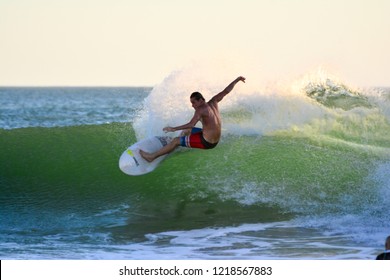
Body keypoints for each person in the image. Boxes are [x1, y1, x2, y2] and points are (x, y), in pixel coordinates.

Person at [140, 76, 246, 162]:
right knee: (186, 131)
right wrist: (237, 80)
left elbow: (191, 124)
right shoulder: (214, 101)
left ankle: (152, 156)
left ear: (201, 100)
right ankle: (176, 144)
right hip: (214, 139)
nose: (192, 105)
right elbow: (226, 91)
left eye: (194, 102)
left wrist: (173, 128)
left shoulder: (200, 110)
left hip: (207, 142)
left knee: (177, 140)